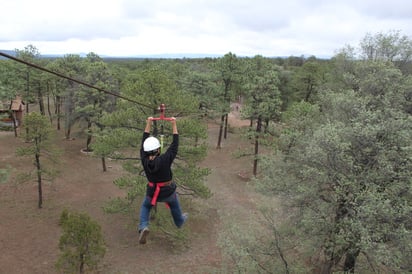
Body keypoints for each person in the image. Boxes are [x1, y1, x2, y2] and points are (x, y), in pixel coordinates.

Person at [138, 116, 188, 244]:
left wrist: (148, 122)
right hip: (168, 192)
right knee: (174, 204)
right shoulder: (165, 159)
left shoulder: (144, 159)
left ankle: (143, 226)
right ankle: (179, 221)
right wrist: (174, 124)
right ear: (158, 149)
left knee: (145, 206)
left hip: (152, 191)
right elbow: (174, 145)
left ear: (145, 150)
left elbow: (144, 141)